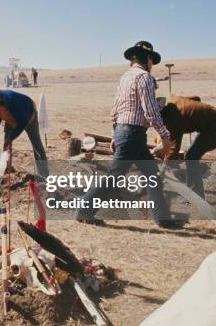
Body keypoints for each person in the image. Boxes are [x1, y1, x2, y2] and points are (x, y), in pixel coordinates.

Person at [76, 41, 177, 228]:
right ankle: (84, 210)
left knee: (151, 173)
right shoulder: (144, 77)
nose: (152, 65)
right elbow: (151, 111)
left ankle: (161, 218)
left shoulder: (125, 78)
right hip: (132, 134)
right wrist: (164, 136)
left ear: (133, 58)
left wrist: (115, 134)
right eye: (152, 61)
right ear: (147, 59)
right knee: (115, 175)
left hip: (129, 134)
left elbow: (115, 110)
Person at [155, 96, 216, 198]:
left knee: (191, 157)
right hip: (214, 121)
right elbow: (196, 98)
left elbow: (174, 148)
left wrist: (165, 166)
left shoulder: (173, 121)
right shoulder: (174, 100)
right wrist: (193, 115)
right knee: (191, 155)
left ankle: (195, 194)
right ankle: (193, 191)